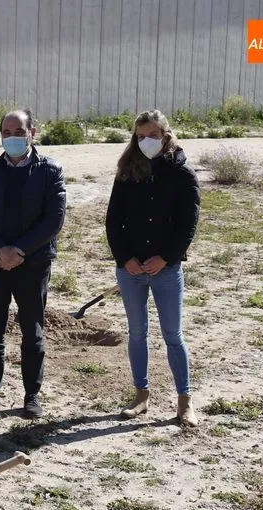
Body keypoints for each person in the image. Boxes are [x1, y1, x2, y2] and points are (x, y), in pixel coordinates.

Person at [0, 109, 66, 419]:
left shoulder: (50, 170)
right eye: (6, 132)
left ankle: (32, 394)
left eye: (18, 131)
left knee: (31, 331)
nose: (12, 137)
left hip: (33, 263)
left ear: (32, 133)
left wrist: (19, 251)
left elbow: (54, 219)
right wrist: (0, 250)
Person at [105, 110, 200, 427]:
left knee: (173, 335)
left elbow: (188, 224)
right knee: (137, 334)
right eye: (141, 136)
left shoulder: (182, 174)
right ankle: (141, 395)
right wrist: (125, 259)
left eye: (154, 135)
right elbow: (113, 222)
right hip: (130, 270)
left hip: (166, 269)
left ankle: (184, 402)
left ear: (166, 135)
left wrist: (167, 257)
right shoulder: (127, 173)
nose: (147, 141)